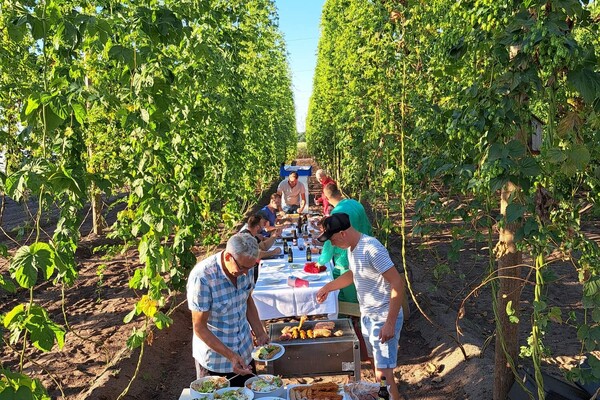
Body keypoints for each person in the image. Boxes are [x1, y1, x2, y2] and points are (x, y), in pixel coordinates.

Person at [315, 213, 406, 400]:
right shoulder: (352, 248)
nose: (331, 244)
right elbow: (354, 274)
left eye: (332, 240)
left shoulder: (372, 248)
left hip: (383, 316)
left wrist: (389, 323)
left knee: (384, 375)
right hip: (368, 316)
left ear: (342, 234)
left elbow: (397, 283)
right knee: (378, 370)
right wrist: (328, 287)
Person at [186, 233, 269, 387]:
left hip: (244, 353)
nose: (246, 273)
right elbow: (199, 327)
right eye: (243, 268)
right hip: (216, 362)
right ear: (228, 257)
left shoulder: (247, 265)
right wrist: (231, 356)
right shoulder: (203, 278)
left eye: (250, 268)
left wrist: (259, 331)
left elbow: (247, 299)